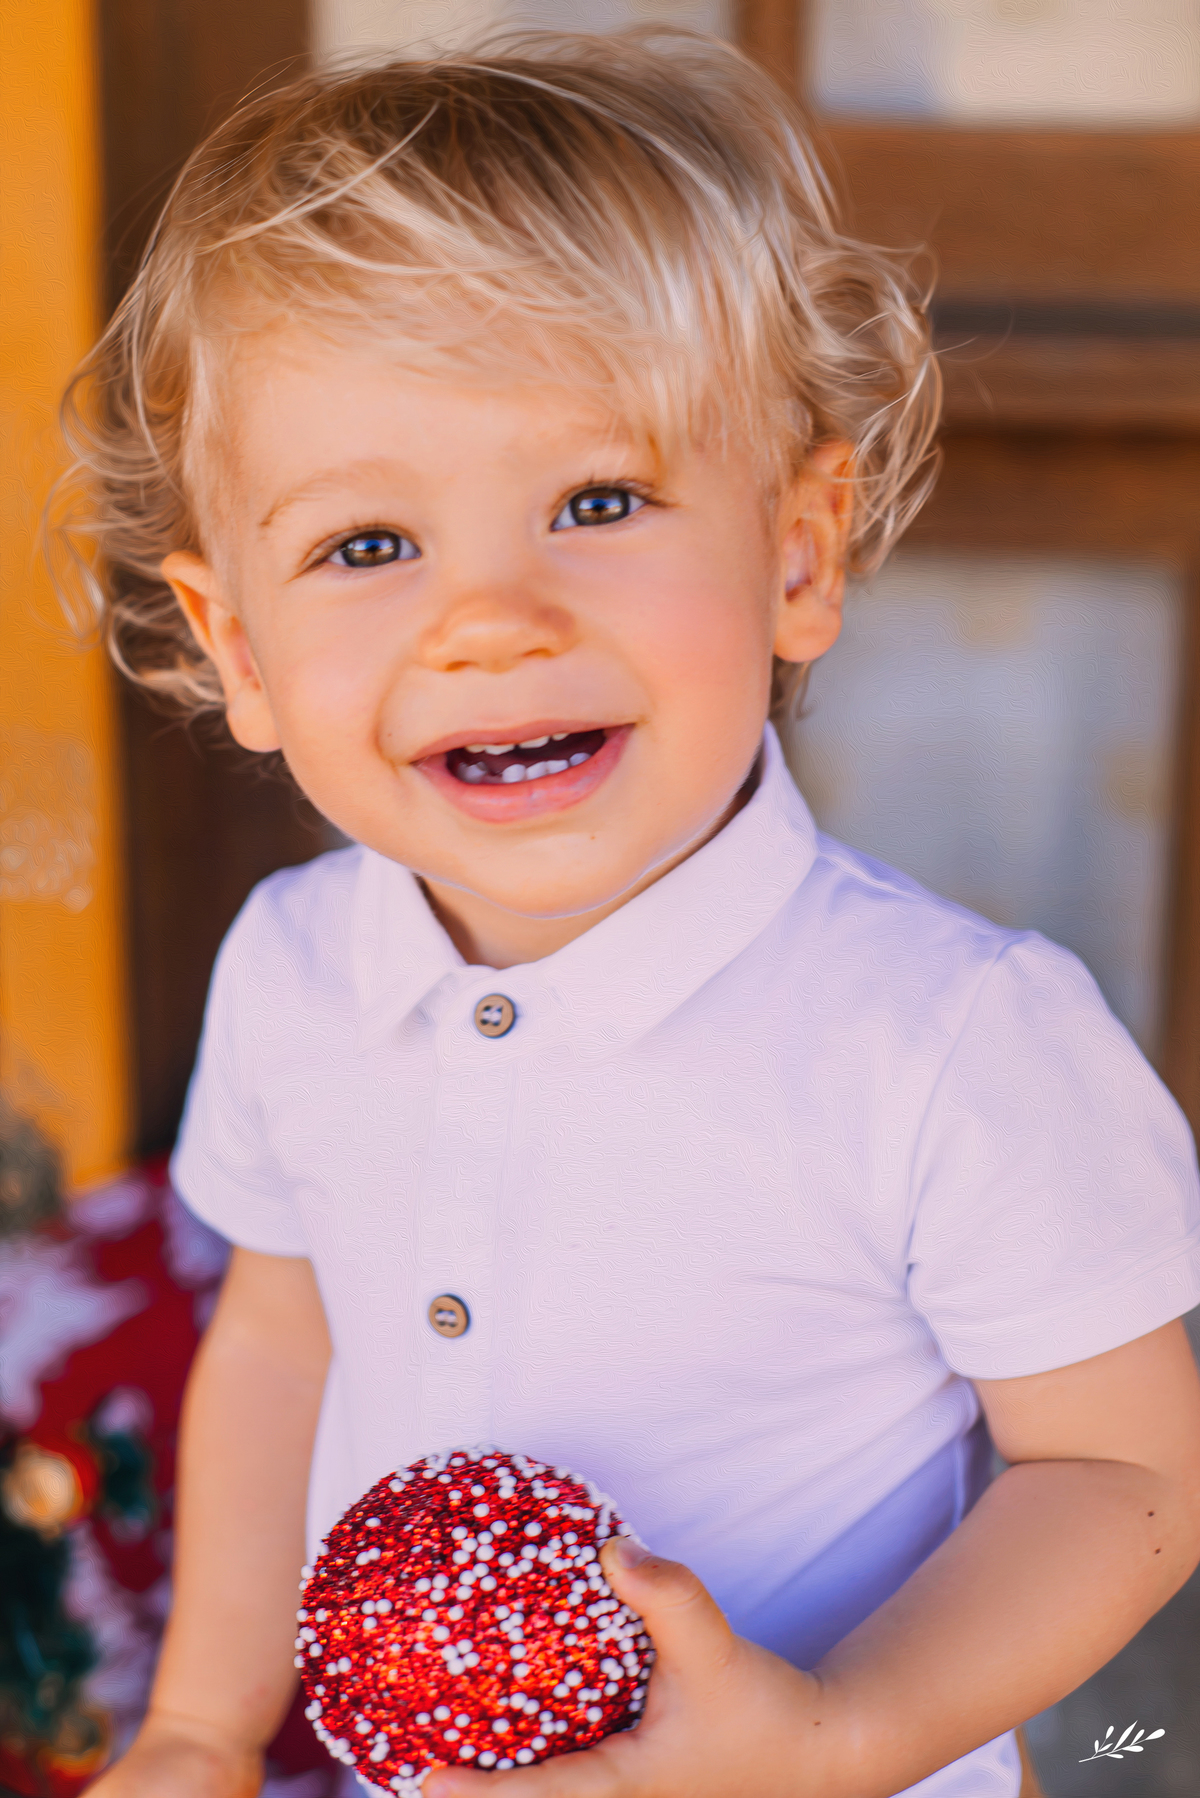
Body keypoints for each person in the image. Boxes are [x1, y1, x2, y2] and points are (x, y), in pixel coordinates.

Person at [62, 29, 1200, 1798]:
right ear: (239, 651)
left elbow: (1125, 1474)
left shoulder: (947, 1035)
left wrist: (838, 1733)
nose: (492, 618)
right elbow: (283, 1340)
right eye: (370, 545)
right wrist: (203, 1725)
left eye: (598, 500)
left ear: (800, 554)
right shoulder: (292, 966)